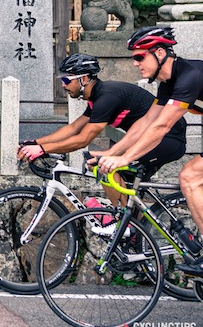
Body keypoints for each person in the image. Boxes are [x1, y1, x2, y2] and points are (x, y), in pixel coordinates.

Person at [94, 26, 203, 277]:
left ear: (161, 53)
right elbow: (144, 123)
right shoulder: (169, 82)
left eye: (140, 57)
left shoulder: (190, 76)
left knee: (190, 176)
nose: (135, 63)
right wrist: (114, 154)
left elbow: (162, 126)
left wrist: (126, 158)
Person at [18, 53, 187, 213]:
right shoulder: (97, 97)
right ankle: (132, 229)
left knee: (103, 165)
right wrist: (36, 143)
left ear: (83, 78)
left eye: (66, 79)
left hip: (167, 140)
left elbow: (82, 140)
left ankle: (124, 223)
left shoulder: (107, 97)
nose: (63, 84)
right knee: (107, 171)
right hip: (149, 141)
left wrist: (42, 150)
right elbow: (73, 128)